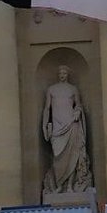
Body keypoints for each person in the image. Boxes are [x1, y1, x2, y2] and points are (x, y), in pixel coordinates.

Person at [41, 65, 93, 194]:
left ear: (67, 75)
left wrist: (78, 112)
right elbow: (47, 108)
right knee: (57, 156)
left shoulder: (73, 89)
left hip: (71, 124)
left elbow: (79, 105)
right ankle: (59, 184)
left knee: (72, 156)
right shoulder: (51, 89)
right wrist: (45, 124)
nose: (62, 75)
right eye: (60, 73)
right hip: (57, 127)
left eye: (64, 73)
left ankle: (69, 186)